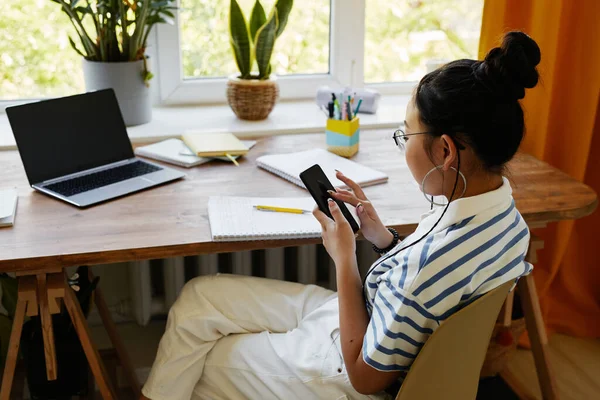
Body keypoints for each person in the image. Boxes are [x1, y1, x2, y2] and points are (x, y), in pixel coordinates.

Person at [140, 31, 541, 400]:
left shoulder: (427, 267)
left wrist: (345, 258)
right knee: (198, 296)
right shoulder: (508, 223)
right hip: (364, 317)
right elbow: (433, 289)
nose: (404, 146)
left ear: (446, 151)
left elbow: (365, 377)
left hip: (345, 368)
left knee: (199, 359)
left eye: (406, 134)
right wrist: (381, 237)